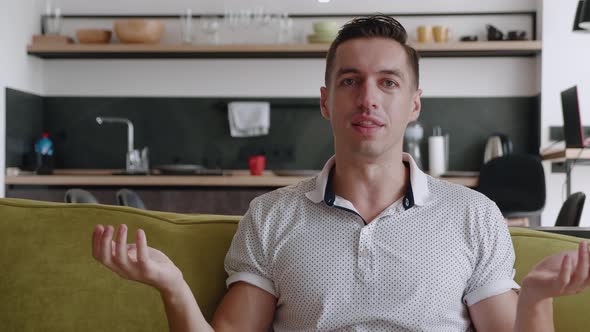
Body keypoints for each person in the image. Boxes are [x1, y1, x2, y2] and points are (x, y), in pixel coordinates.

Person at [92, 15, 590, 332]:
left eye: (388, 82)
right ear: (326, 101)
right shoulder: (270, 217)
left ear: (414, 104)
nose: (368, 97)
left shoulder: (475, 216)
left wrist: (538, 299)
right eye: (350, 80)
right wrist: (172, 286)